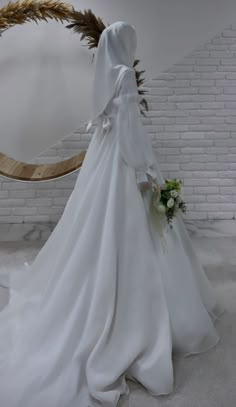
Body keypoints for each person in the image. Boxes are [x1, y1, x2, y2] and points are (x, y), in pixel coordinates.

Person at [0, 21, 224, 407]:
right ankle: (139, 315)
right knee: (136, 236)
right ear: (122, 44)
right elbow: (129, 128)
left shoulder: (106, 74)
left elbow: (108, 122)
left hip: (103, 165)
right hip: (124, 165)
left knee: (95, 230)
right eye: (130, 40)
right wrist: (145, 174)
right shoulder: (123, 76)